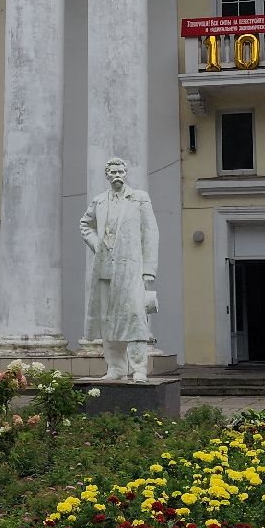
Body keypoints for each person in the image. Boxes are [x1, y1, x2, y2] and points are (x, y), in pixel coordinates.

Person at [79, 157, 160, 381]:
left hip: (132, 268)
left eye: (120, 171)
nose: (117, 175)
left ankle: (139, 368)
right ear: (107, 175)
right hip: (106, 268)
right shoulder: (99, 201)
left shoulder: (139, 199)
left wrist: (148, 270)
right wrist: (97, 245)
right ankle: (116, 368)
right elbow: (85, 224)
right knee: (108, 319)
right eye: (112, 172)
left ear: (125, 174)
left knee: (134, 317)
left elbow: (150, 233)